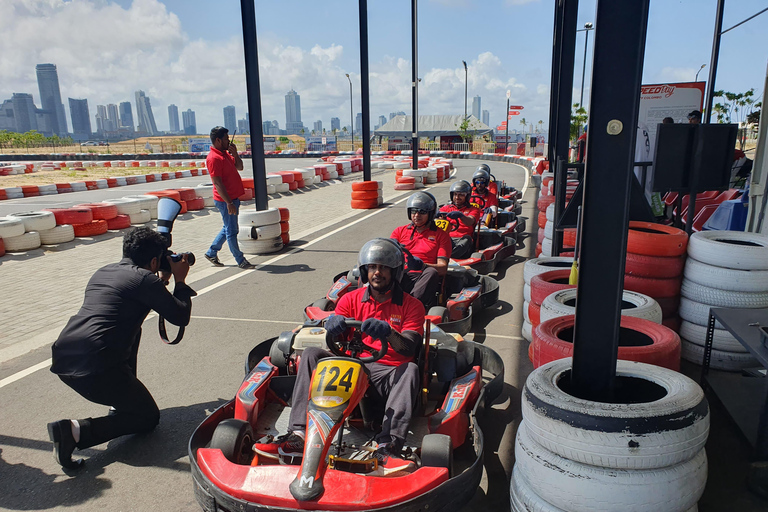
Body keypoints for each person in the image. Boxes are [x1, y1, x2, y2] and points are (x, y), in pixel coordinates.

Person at [268, 239, 425, 468]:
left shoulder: (412, 306)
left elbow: (409, 348)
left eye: (383, 268)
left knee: (410, 369)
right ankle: (299, 434)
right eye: (372, 267)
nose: (377, 273)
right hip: (350, 365)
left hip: (387, 372)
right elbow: (336, 342)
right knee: (311, 353)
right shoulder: (350, 299)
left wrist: (389, 333)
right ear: (364, 270)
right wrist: (335, 326)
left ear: (395, 272)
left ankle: (388, 445)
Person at [47, 227, 195, 469]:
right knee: (148, 417)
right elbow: (179, 316)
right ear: (155, 260)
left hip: (65, 359)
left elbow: (136, 301)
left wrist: (162, 279)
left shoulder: (103, 272)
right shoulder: (145, 280)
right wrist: (180, 279)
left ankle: (120, 401)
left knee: (133, 330)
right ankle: (73, 431)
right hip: (97, 368)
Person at [204, 126, 256, 270]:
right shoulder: (214, 158)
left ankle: (211, 252)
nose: (229, 141)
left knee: (228, 227)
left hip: (233, 199)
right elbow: (217, 182)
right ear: (218, 140)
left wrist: (236, 154)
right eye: (226, 139)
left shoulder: (225, 154)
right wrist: (229, 202)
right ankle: (240, 260)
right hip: (226, 201)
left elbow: (239, 167)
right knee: (232, 231)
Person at [390, 191, 452, 309]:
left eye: (422, 212)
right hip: (400, 273)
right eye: (414, 211)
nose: (417, 215)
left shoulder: (441, 236)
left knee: (431, 273)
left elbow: (443, 268)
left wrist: (422, 266)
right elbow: (388, 254)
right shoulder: (399, 231)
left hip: (422, 276)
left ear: (431, 213)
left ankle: (410, 307)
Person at [438, 180, 482, 260]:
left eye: (461, 195)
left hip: (462, 240)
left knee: (467, 239)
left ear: (467, 196)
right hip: (448, 238)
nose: (457, 197)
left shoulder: (474, 209)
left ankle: (446, 257)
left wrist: (461, 216)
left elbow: (470, 221)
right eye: (455, 194)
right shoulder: (446, 208)